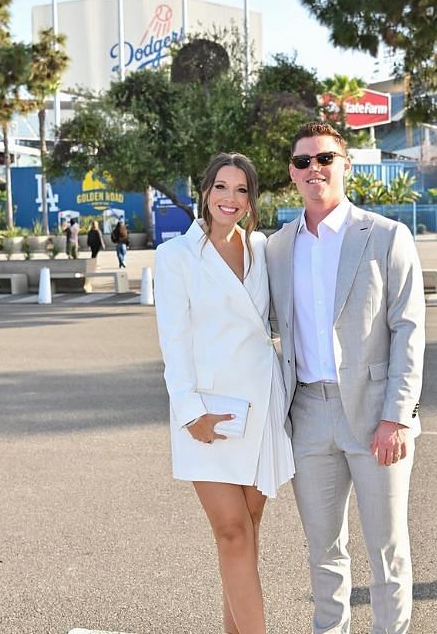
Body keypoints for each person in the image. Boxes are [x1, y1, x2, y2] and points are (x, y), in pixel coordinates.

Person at [265, 122, 425, 634]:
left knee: (387, 552)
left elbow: (409, 330)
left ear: (346, 165)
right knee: (323, 553)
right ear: (292, 173)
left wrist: (397, 416)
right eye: (304, 161)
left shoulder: (384, 235)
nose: (315, 169)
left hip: (376, 413)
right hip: (308, 414)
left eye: (326, 158)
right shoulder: (277, 247)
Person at [153, 152, 295, 634]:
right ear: (205, 192)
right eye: (220, 187)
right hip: (208, 415)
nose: (229, 198)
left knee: (248, 536)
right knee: (231, 533)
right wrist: (191, 413)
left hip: (261, 409)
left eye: (240, 190)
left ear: (251, 200)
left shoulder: (263, 249)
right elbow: (173, 342)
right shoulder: (175, 256)